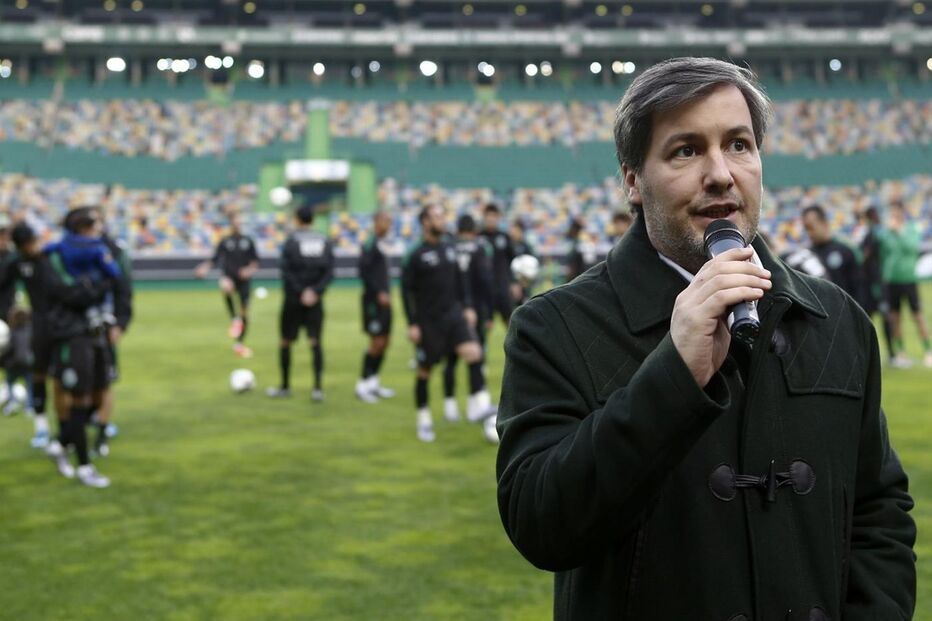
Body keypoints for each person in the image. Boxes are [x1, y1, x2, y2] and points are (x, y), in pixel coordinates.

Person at [496, 57, 915, 619]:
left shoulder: (837, 319)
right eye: (686, 150)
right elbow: (541, 525)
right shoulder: (555, 327)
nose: (721, 173)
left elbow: (879, 512)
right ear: (632, 182)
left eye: (739, 144)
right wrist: (673, 376)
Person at [402, 205, 497, 444]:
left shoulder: (450, 248)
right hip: (429, 322)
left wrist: (467, 307)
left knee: (474, 353)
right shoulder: (415, 253)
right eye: (436, 216)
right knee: (425, 371)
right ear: (424, 221)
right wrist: (412, 323)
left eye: (443, 216)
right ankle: (423, 420)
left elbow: (461, 282)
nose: (442, 220)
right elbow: (406, 291)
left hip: (454, 316)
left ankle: (480, 408)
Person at [45, 209, 117, 487]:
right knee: (79, 399)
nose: (99, 229)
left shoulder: (96, 251)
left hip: (94, 333)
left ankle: (61, 444)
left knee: (98, 398)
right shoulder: (55, 255)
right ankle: (84, 466)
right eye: (94, 225)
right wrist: (97, 286)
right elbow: (69, 293)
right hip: (72, 336)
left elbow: (115, 277)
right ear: (82, 228)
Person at [267, 205, 334, 402]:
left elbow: (286, 271)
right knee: (315, 342)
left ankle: (285, 386)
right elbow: (329, 272)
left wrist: (301, 291)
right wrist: (315, 291)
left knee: (286, 341)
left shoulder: (291, 241)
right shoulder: (324, 240)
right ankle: (317, 388)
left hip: (293, 300)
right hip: (315, 301)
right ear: (312, 219)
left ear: (297, 219)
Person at [441, 214, 493, 423]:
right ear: (473, 230)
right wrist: (487, 313)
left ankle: (450, 404)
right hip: (474, 310)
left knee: (450, 359)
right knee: (475, 357)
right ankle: (475, 405)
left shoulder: (448, 248)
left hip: (449, 310)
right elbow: (486, 281)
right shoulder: (480, 249)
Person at [9, 222, 56, 449]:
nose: (35, 245)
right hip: (39, 326)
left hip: (64, 324)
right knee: (38, 375)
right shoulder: (17, 263)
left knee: (65, 378)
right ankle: (41, 428)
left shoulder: (52, 256)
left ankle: (72, 426)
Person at [194, 212, 259, 358]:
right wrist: (204, 268)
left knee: (245, 315)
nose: (237, 225)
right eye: (235, 222)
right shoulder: (225, 241)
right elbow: (215, 258)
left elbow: (255, 262)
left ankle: (239, 343)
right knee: (225, 286)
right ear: (231, 224)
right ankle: (234, 318)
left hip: (244, 281)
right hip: (229, 278)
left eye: (239, 222)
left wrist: (248, 270)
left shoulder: (248, 241)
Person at [880, 202, 932, 368]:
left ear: (902, 213)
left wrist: (900, 232)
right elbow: (883, 253)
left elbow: (911, 248)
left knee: (918, 316)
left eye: (896, 213)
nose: (893, 216)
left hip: (908, 279)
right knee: (895, 318)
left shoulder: (911, 229)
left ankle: (928, 351)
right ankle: (901, 352)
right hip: (891, 281)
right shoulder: (886, 233)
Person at [355, 210, 396, 403]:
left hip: (385, 301)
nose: (388, 225)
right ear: (376, 222)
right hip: (373, 303)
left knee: (385, 342)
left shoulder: (382, 243)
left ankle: (373, 383)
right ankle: (362, 385)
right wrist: (378, 292)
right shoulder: (370, 244)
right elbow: (363, 272)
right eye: (385, 221)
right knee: (376, 343)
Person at [800, 204, 865, 307]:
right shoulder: (806, 255)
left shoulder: (846, 251)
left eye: (811, 227)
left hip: (844, 314)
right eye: (806, 229)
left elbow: (858, 289)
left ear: (824, 223)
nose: (809, 233)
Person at [858, 206, 895, 364]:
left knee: (874, 319)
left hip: (876, 283)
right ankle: (888, 355)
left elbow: (864, 255)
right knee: (876, 318)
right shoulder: (873, 234)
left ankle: (887, 354)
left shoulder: (875, 234)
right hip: (874, 283)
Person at [479, 203, 516, 328]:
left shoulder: (504, 237)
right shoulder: (478, 237)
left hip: (503, 287)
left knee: (511, 324)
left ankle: (516, 347)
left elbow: (513, 260)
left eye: (493, 216)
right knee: (484, 325)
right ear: (484, 218)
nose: (490, 219)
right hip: (484, 289)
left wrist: (514, 282)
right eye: (488, 216)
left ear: (498, 218)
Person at [564, 216, 599, 282]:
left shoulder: (586, 244)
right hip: (576, 271)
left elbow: (589, 261)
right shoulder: (574, 242)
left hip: (583, 271)